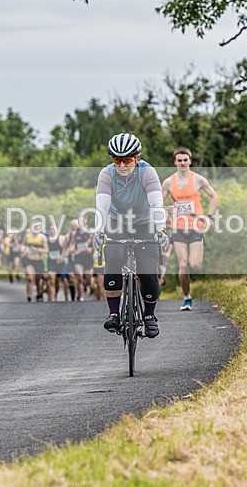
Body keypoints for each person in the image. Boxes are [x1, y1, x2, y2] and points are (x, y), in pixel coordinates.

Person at [93, 133, 169, 339]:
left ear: (137, 157)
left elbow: (157, 204)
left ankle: (150, 315)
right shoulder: (106, 174)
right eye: (116, 160)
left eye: (126, 160)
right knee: (113, 257)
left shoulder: (147, 172)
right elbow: (102, 206)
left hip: (145, 223)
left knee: (147, 269)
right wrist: (99, 231)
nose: (121, 165)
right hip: (117, 222)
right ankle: (114, 313)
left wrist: (161, 230)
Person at [161, 146, 219, 311]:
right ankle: (187, 298)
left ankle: (189, 283)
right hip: (178, 228)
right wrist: (167, 209)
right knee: (183, 264)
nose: (182, 163)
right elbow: (158, 203)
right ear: (175, 162)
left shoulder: (198, 180)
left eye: (185, 160)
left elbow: (214, 196)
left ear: (190, 161)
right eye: (179, 160)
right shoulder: (168, 183)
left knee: (195, 265)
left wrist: (209, 216)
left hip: (195, 227)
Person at [22, 222, 48, 302]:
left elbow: (46, 250)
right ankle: (29, 296)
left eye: (38, 227)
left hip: (38, 260)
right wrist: (24, 251)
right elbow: (23, 246)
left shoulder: (42, 237)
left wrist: (37, 250)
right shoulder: (27, 237)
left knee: (38, 279)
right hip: (29, 260)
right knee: (30, 278)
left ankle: (39, 293)